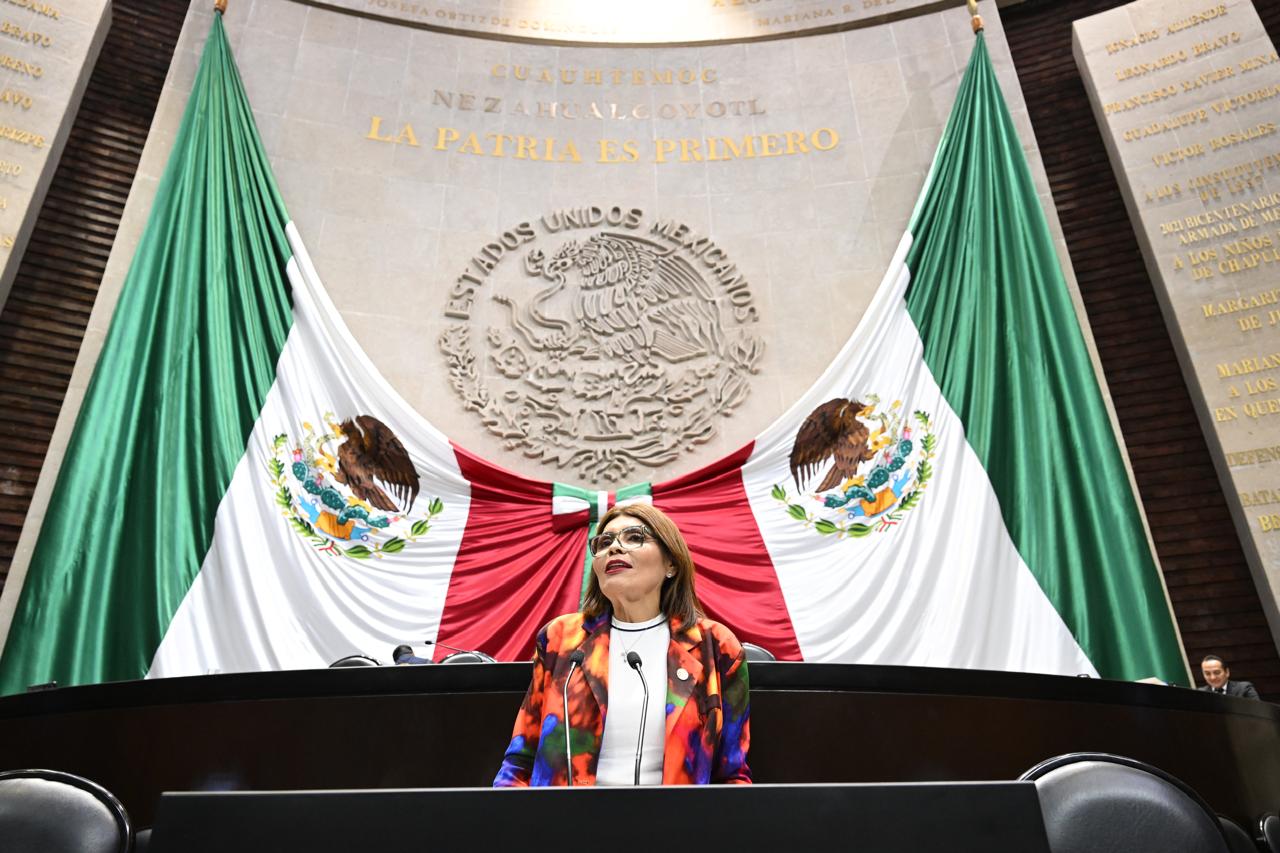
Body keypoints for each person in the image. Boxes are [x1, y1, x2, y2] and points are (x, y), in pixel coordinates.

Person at [493, 503, 751, 786]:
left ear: (671, 563)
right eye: (604, 543)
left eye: (634, 537)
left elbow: (732, 774)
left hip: (676, 814)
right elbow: (520, 761)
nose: (614, 548)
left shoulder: (716, 646)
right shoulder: (561, 638)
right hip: (566, 814)